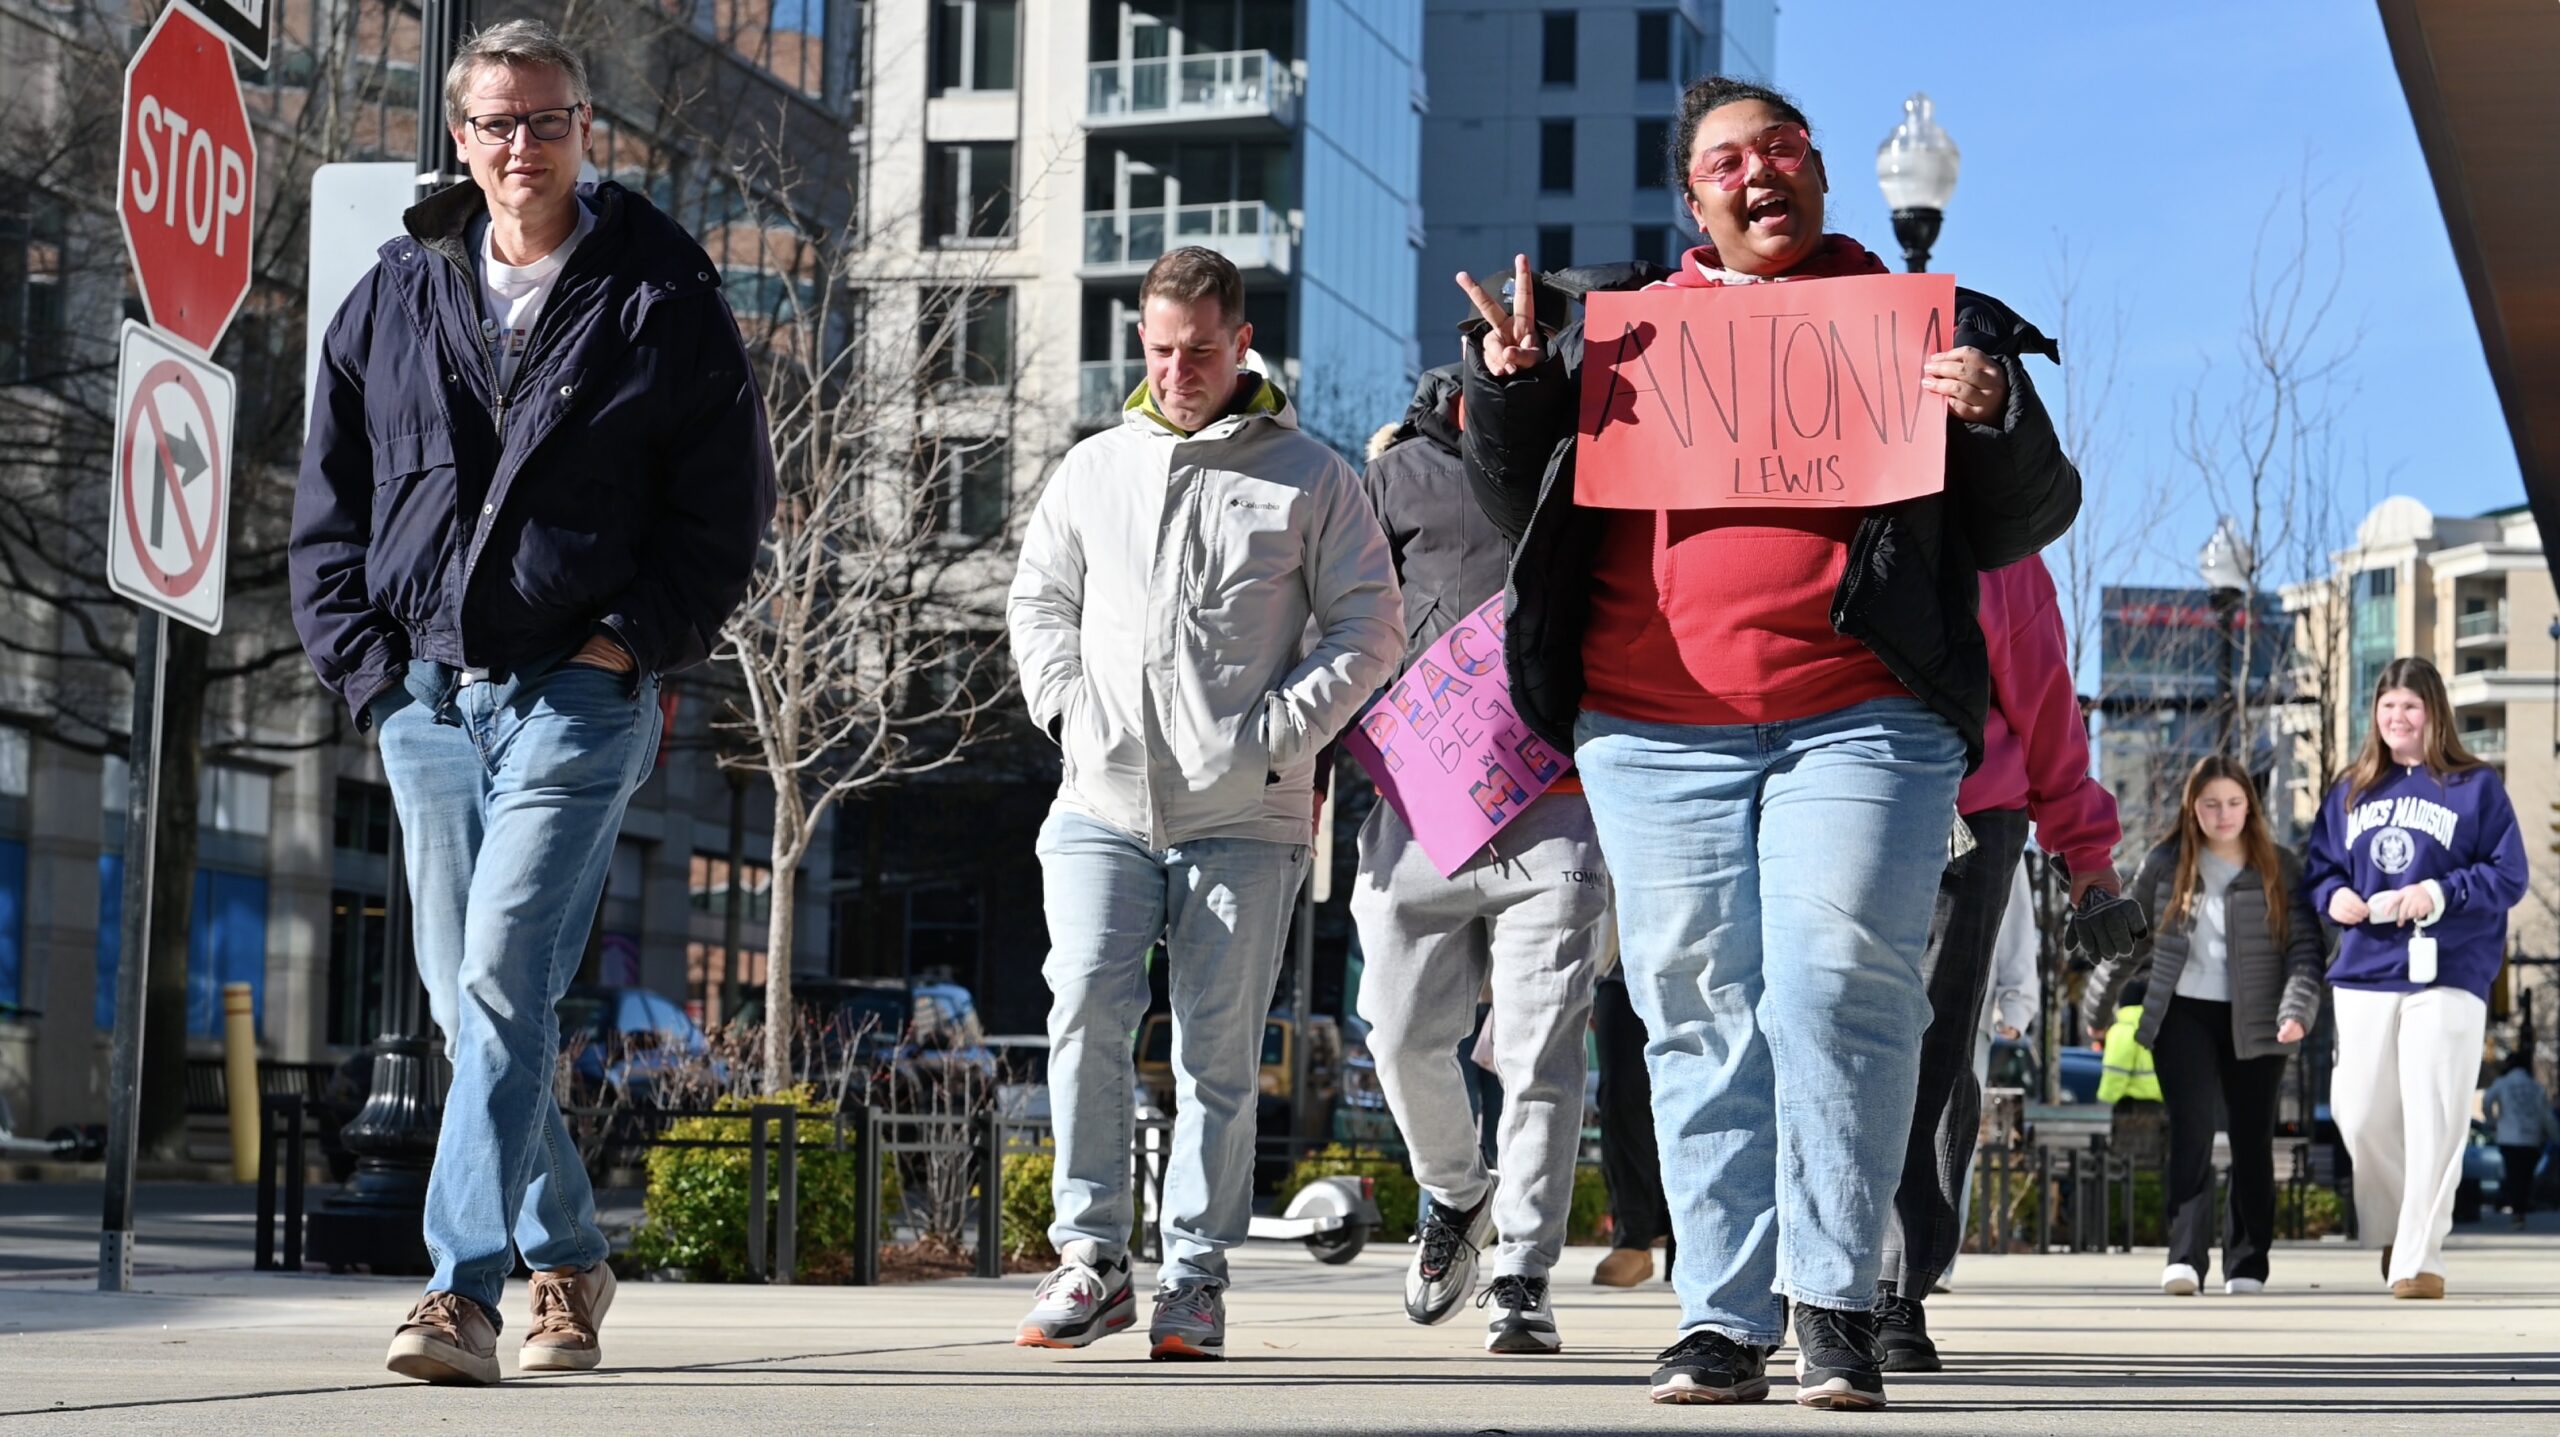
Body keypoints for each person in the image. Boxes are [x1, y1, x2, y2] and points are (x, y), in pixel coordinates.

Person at [1453, 75, 2080, 1409]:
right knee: (1696, 1013)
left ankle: (1839, 1302)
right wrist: (1510, 392)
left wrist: (1992, 411)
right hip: (1652, 727)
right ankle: (1722, 1318)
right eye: (1728, 161)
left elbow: (2031, 516)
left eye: (1783, 150)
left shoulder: (1927, 324)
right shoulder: (1609, 339)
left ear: (1820, 175)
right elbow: (1518, 502)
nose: (1759, 175)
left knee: (1837, 991)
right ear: (1695, 201)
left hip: (1863, 715)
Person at [290, 20, 776, 1386]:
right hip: (429, 701)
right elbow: (327, 515)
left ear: (585, 132)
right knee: (469, 1002)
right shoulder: (394, 292)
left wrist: (629, 648)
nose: (523, 145)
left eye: (548, 121)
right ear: (462, 138)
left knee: (502, 974)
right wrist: (374, 684)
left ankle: (462, 1291)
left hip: (581, 693)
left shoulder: (661, 291)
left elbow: (722, 514)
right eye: (498, 123)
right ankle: (568, 1251)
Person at [1006, 246, 1401, 1360]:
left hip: (1247, 814)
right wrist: (1068, 713)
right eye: (1160, 348)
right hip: (1099, 798)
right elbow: (1038, 600)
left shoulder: (1312, 475)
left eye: (1199, 351)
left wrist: (1278, 735)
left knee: (1215, 1053)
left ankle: (1192, 1275)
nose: (1178, 370)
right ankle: (1089, 1257)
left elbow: (1371, 624)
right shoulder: (1092, 469)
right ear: (1142, 340)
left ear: (1241, 345)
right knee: (1083, 1005)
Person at [1349, 358, 1611, 1355]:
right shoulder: (1397, 472)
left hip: (1561, 804)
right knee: (1401, 1033)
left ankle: (1522, 1276)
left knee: (1542, 1055)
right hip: (1420, 799)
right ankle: (1456, 1195)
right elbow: (1349, 617)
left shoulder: (1591, 466)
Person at [1874, 554, 2139, 1373]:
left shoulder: (1995, 537)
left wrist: (2085, 851)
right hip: (1827, 787)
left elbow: (2045, 692)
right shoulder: (1821, 482)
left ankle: (1894, 1280)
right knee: (1812, 1029)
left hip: (1974, 808)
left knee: (1931, 1047)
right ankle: (1811, 1269)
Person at [2307, 656, 2528, 1299]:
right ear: (2374, 715)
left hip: (2448, 969)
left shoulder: (2474, 786)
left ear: (2434, 714)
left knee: (2434, 1112)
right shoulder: (2352, 789)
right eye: (2387, 707)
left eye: (2411, 707)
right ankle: (2390, 1226)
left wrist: (2438, 890)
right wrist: (2333, 898)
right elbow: (2320, 870)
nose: (2398, 718)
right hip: (2365, 969)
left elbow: (2509, 875)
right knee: (2357, 1111)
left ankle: (2419, 1257)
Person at [2086, 756, 2324, 1296]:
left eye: (2234, 803)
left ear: (2250, 807)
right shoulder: (2167, 862)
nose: (2223, 815)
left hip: (2260, 1016)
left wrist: (2296, 1010)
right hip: (2183, 1013)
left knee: (2251, 1139)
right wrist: (2096, 1011)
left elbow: (2306, 947)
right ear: (2193, 807)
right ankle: (2185, 1259)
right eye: (2211, 803)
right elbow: (2129, 939)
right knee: (2191, 1133)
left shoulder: (2279, 867)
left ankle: (2247, 1262)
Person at [2482, 1054, 2557, 1227]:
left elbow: (2487, 1100)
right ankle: (2520, 1210)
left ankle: (2516, 1211)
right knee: (2525, 1177)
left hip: (2509, 1137)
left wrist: (2492, 1121)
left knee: (2513, 1174)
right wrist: (2554, 1135)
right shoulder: (2536, 1087)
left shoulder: (2503, 1083)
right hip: (2531, 1138)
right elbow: (2546, 1116)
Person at [2095, 978, 2164, 1106]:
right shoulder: (2161, 1028)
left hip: (2133, 1108)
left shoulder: (2122, 1030)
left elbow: (2116, 1071)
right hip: (2164, 1104)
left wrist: (2105, 1100)